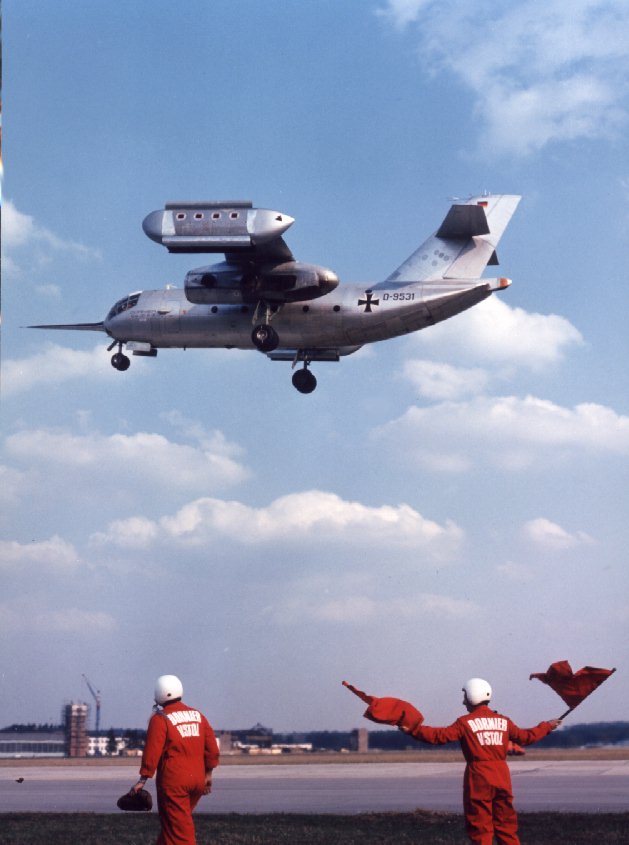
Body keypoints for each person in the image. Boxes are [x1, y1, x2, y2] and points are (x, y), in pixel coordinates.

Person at [401, 677, 561, 845]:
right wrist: (547, 726)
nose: (463, 703)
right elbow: (526, 737)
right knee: (506, 826)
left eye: (465, 697)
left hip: (478, 778)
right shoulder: (504, 721)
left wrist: (414, 730)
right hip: (502, 777)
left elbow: (439, 736)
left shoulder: (464, 723)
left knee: (480, 828)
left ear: (472, 697)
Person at [130, 674, 220, 845]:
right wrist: (208, 774)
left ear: (159, 695)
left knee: (180, 835)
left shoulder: (160, 718)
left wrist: (143, 779)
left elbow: (152, 752)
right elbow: (212, 750)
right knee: (172, 828)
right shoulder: (197, 715)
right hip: (197, 781)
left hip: (174, 783)